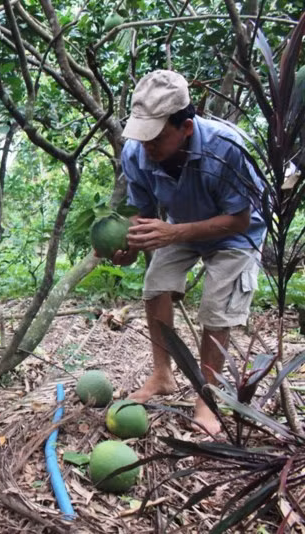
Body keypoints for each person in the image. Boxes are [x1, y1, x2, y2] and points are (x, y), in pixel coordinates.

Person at [110, 70, 266, 435]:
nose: (147, 146)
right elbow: (144, 218)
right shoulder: (137, 153)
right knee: (156, 285)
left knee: (215, 307)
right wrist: (130, 250)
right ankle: (163, 375)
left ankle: (207, 397)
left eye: (157, 138)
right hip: (180, 225)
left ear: (187, 128)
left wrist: (174, 231)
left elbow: (239, 220)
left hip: (234, 231)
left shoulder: (227, 149)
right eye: (143, 136)